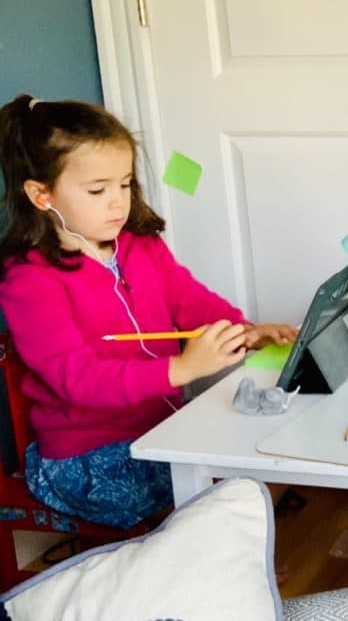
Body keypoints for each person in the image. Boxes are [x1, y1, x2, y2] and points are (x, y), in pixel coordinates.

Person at [0, 94, 298, 529]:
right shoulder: (29, 280)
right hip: (86, 453)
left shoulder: (140, 244)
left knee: (244, 461)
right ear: (41, 195)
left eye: (124, 184)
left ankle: (221, 561)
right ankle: (199, 570)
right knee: (200, 498)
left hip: (162, 425)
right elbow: (77, 380)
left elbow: (190, 300)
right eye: (98, 190)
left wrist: (244, 331)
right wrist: (180, 369)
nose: (118, 202)